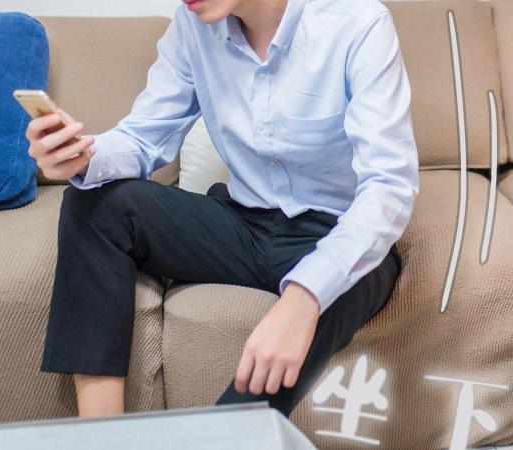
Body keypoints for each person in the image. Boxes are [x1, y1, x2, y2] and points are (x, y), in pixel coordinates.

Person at [25, 0, 419, 419]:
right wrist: (83, 156)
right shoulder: (192, 27)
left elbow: (388, 186)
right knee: (96, 202)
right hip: (244, 225)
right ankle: (101, 435)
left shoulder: (358, 23)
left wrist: (304, 298)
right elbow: (143, 138)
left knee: (348, 278)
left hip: (331, 233)